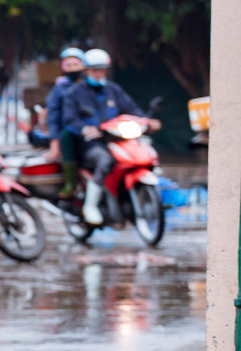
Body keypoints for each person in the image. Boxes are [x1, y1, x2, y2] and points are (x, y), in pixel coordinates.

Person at [62, 48, 160, 225]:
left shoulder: (113, 90)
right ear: (87, 71)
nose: (99, 74)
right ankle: (90, 206)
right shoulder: (76, 92)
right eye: (95, 70)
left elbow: (132, 110)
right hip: (91, 144)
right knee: (104, 161)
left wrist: (147, 121)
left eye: (102, 70)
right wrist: (85, 129)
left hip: (117, 139)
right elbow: (69, 119)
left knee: (142, 154)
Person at [45, 47, 86, 196]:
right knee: (67, 136)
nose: (72, 68)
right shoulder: (60, 88)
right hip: (70, 128)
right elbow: (53, 115)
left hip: (92, 127)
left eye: (75, 64)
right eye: (68, 65)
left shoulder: (90, 85)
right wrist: (54, 142)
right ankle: (71, 184)